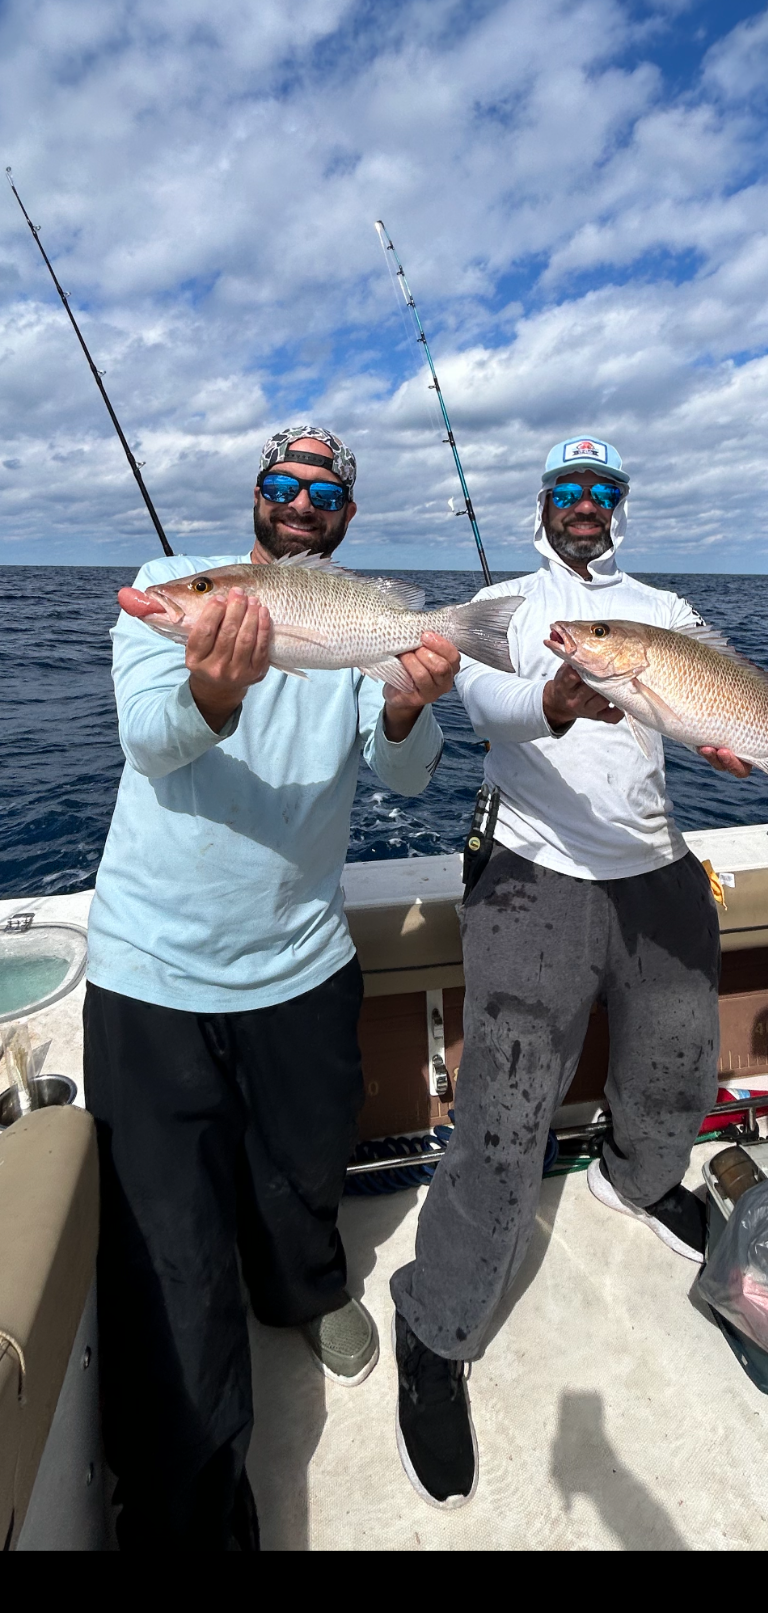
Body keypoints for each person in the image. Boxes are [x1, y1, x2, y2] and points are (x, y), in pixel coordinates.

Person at [390, 434, 768, 1509]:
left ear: (619, 508)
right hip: (535, 869)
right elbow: (482, 707)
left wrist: (735, 726)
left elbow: (718, 679)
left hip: (654, 862)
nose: (584, 505)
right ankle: (435, 1323)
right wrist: (556, 703)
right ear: (543, 505)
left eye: (601, 491)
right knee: (504, 1106)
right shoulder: (505, 604)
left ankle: (641, 1180)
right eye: (567, 489)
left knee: (676, 1053)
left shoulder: (664, 608)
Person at [84, 424, 460, 1549]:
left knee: (303, 1171)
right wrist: (211, 688)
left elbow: (408, 768)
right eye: (284, 486)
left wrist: (405, 702)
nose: (301, 503)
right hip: (153, 971)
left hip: (302, 962)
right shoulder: (166, 590)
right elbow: (152, 741)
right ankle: (194, 1504)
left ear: (343, 520)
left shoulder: (352, 614)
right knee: (171, 1245)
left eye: (323, 494)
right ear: (255, 500)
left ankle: (303, 1291)